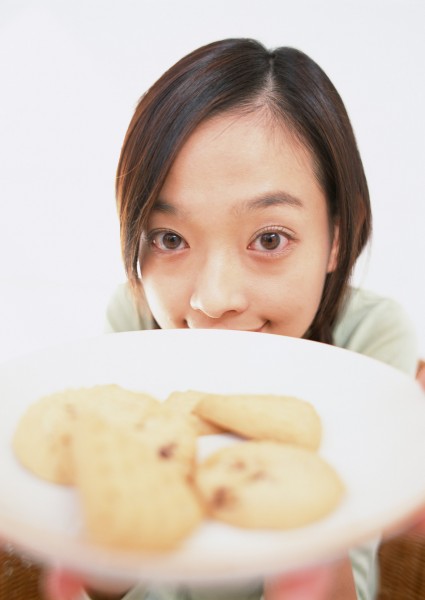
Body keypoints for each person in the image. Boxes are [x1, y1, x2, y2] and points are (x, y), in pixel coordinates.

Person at [44, 38, 420, 599]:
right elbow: (115, 577)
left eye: (269, 239)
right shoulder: (133, 318)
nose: (214, 299)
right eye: (169, 238)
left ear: (337, 236)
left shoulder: (369, 340)